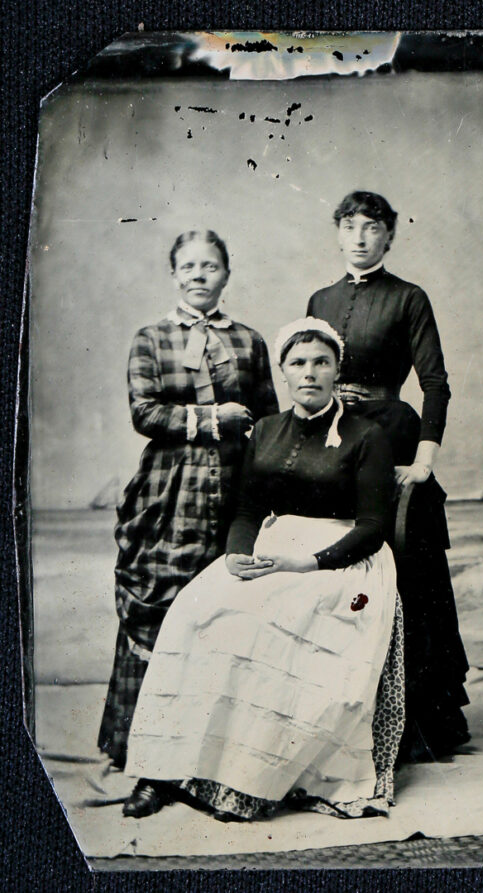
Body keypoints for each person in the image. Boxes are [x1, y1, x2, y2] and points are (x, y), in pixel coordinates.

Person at [121, 319, 405, 821]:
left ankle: (250, 779)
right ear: (283, 372)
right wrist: (234, 557)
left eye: (322, 362)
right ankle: (164, 769)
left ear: (338, 369)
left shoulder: (368, 435)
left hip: (343, 559)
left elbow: (375, 525)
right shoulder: (268, 431)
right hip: (275, 547)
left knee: (272, 622)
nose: (310, 373)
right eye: (298, 363)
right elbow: (249, 510)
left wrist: (309, 562)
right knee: (195, 610)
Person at [98, 229, 279, 769]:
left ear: (227, 273)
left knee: (225, 608)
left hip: (232, 486)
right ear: (173, 274)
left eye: (211, 266)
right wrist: (209, 419)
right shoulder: (151, 338)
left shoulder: (248, 341)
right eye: (188, 267)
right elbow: (144, 412)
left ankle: (212, 756)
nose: (199, 276)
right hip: (169, 489)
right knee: (159, 604)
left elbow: (268, 418)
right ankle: (142, 754)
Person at [307, 191, 470, 761]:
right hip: (336, 440)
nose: (359, 237)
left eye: (371, 227)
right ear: (337, 234)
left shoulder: (409, 298)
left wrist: (426, 456)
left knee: (405, 572)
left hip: (393, 435)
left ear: (389, 236)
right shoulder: (320, 299)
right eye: (349, 226)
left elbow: (435, 382)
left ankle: (416, 727)